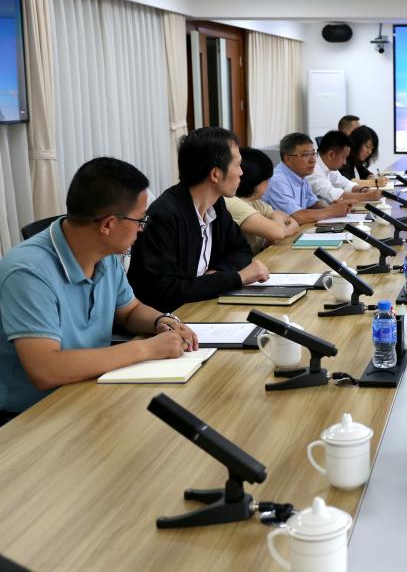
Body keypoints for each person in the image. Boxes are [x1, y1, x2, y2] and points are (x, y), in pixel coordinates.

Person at [0, 158, 198, 422]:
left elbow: (130, 310)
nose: (142, 228)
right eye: (140, 219)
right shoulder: (28, 272)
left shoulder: (105, 255)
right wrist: (148, 349)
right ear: (107, 225)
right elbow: (45, 369)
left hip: (91, 391)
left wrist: (161, 321)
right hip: (31, 417)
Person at [128, 127, 269, 314]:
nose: (241, 172)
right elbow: (164, 290)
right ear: (215, 174)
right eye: (237, 165)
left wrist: (218, 276)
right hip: (169, 319)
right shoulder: (165, 215)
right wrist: (236, 278)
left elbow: (241, 249)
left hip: (202, 307)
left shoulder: (216, 205)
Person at [261, 132, 355, 224]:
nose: (312, 160)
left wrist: (335, 207)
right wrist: (331, 211)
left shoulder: (300, 175)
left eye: (313, 154)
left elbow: (313, 203)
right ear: (287, 159)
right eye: (305, 155)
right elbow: (297, 216)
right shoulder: (277, 180)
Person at [224, 147, 300, 254]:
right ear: (254, 181)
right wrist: (277, 220)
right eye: (266, 180)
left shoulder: (256, 202)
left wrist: (277, 226)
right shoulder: (233, 203)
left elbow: (293, 224)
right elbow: (277, 232)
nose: (268, 184)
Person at [307, 130, 384, 205]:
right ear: (331, 155)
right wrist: (367, 196)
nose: (345, 162)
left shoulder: (329, 166)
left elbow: (345, 184)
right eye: (343, 157)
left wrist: (363, 189)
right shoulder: (313, 169)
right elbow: (333, 195)